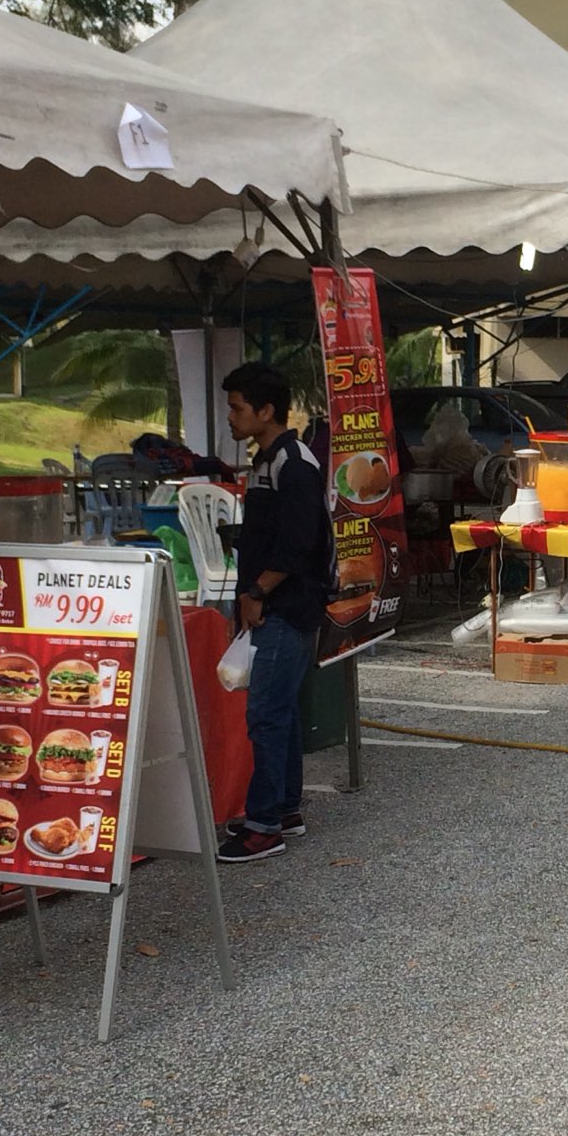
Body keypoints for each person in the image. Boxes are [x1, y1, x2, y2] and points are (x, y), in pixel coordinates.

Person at [218, 361, 332, 864]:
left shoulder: (295, 462)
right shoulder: (264, 459)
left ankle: (264, 826)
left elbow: (299, 541)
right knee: (279, 711)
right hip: (270, 604)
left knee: (265, 714)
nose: (230, 415)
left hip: (289, 605)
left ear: (266, 411)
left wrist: (258, 592)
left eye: (238, 407)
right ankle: (284, 808)